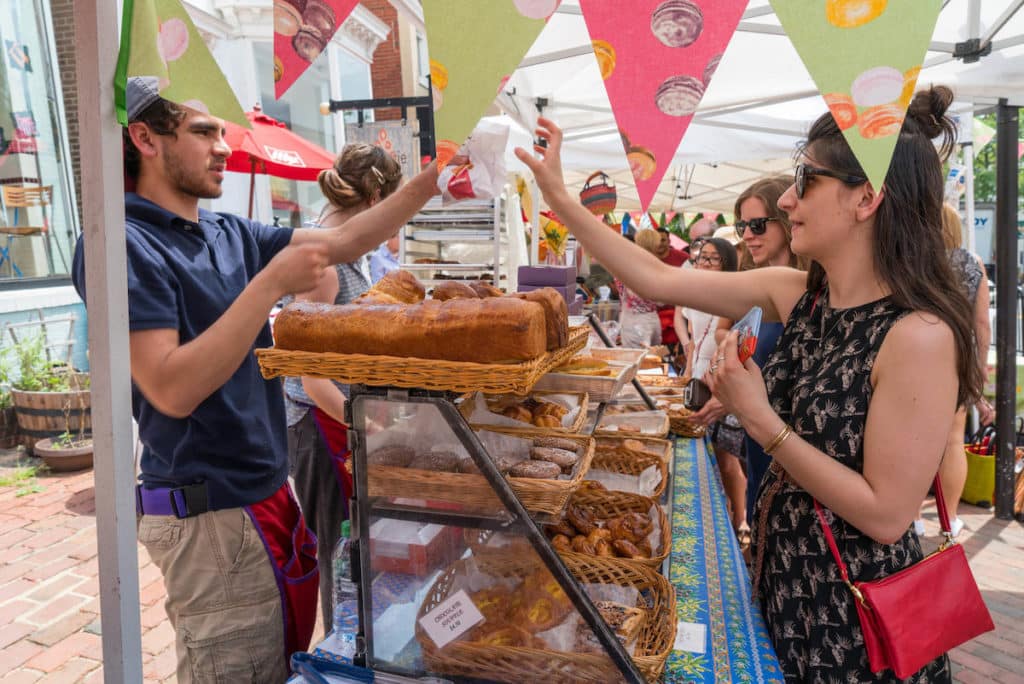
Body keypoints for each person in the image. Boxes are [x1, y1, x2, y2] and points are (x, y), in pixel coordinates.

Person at [516, 86, 979, 682]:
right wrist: (560, 198)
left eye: (806, 179)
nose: (788, 199)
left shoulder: (919, 335)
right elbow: (656, 276)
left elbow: (888, 516)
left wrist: (759, 418)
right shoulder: (803, 293)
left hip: (851, 621)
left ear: (866, 197)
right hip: (786, 580)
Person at [72, 77, 438, 683]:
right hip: (208, 510)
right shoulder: (121, 243)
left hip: (265, 494)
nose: (224, 146)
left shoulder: (227, 231)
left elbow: (348, 237)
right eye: (204, 131)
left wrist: (437, 176)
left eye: (223, 131)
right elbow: (170, 386)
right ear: (145, 139)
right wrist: (269, 285)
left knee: (276, 666)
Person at [285, 143, 402, 629]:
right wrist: (369, 422)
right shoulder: (325, 259)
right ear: (375, 197)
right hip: (320, 425)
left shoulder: (347, 247)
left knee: (353, 547)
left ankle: (357, 639)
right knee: (340, 552)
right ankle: (342, 650)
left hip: (341, 417)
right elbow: (312, 379)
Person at [914, 202, 994, 538]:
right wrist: (977, 368)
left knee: (911, 438)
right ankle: (950, 521)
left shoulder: (915, 260)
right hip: (956, 358)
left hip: (916, 353)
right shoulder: (972, 264)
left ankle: (912, 515)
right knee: (951, 442)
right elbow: (981, 324)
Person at [680, 238, 747, 533]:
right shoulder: (696, 291)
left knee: (727, 456)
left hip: (723, 380)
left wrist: (717, 365)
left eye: (713, 258)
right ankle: (722, 514)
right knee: (711, 450)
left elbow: (730, 337)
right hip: (700, 377)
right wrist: (687, 370)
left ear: (727, 263)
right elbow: (695, 337)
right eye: (702, 257)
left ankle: (738, 520)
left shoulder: (731, 293)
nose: (704, 263)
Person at [617, 229, 664, 348]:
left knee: (636, 362)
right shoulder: (656, 266)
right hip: (652, 320)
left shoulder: (626, 264)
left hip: (633, 321)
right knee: (652, 362)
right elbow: (661, 301)